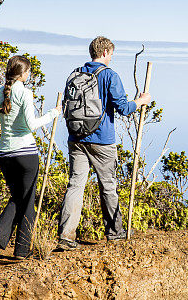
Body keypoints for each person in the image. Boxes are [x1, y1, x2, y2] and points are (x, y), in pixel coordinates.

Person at [56, 36, 151, 250]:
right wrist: (140, 101)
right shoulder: (109, 75)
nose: (112, 57)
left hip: (76, 138)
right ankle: (115, 233)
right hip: (102, 141)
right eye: (112, 54)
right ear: (106, 52)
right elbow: (124, 108)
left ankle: (66, 235)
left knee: (75, 185)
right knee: (108, 186)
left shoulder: (76, 74)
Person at [0, 55, 61, 260]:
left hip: (5, 155)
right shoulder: (25, 93)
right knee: (27, 201)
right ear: (22, 73)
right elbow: (31, 125)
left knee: (18, 198)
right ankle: (20, 250)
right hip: (26, 154)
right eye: (28, 71)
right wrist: (54, 113)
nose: (30, 74)